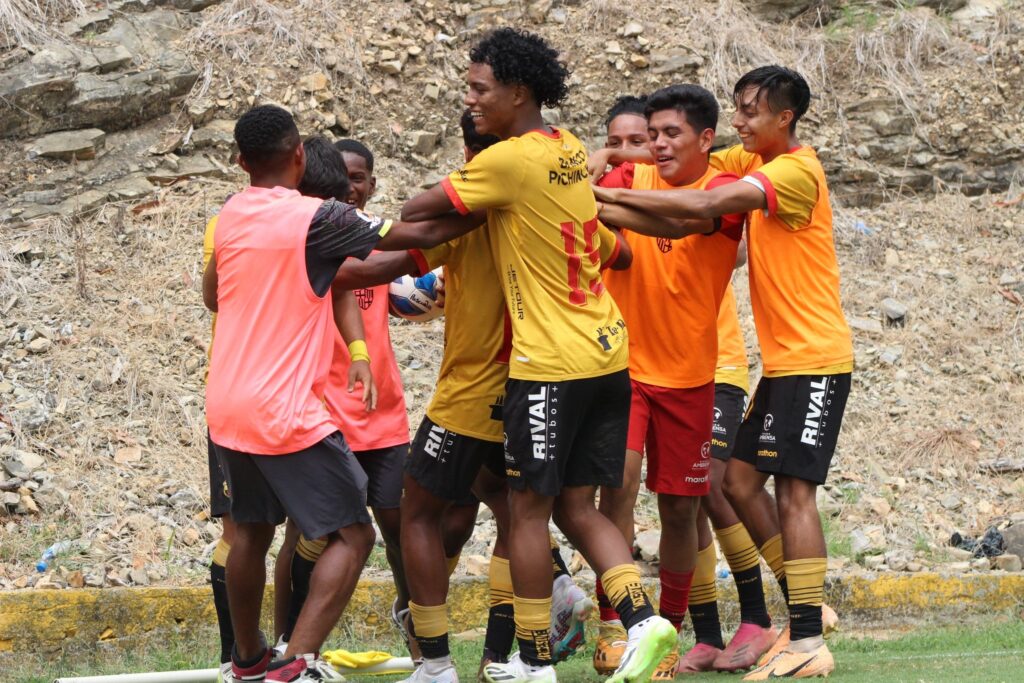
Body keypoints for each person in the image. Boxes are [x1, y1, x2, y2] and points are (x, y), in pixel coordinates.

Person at [401, 28, 677, 683]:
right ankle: (641, 621)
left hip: (550, 364)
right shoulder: (569, 148)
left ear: (517, 91)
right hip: (608, 352)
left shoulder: (508, 160)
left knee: (525, 510)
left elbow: (419, 208)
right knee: (577, 507)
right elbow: (616, 247)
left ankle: (532, 657)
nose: (470, 100)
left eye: (479, 88)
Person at [593, 65, 854, 680]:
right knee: (736, 483)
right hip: (782, 361)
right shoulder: (740, 154)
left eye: (750, 111)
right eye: (733, 112)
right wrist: (617, 161)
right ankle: (799, 609)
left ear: (783, 118)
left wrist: (604, 199)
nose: (739, 122)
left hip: (814, 356)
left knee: (792, 492)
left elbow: (706, 204)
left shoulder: (790, 169)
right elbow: (690, 158)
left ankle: (807, 637)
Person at [203, 104, 480, 683]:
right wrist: (490, 208)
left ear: (240, 161)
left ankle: (248, 661)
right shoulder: (317, 218)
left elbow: (213, 295)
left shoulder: (231, 213)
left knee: (251, 531)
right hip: (283, 411)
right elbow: (415, 239)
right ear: (299, 155)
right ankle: (297, 661)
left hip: (226, 405)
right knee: (352, 533)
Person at [593, 84, 745, 680]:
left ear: (706, 138)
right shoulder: (630, 173)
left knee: (681, 511)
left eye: (668, 133)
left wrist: (605, 196)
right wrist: (600, 166)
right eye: (649, 134)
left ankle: (671, 637)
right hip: (623, 369)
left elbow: (685, 220)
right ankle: (619, 628)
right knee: (619, 489)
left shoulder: (720, 195)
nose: (655, 145)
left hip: (690, 376)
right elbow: (575, 203)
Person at [270, 138, 417, 663]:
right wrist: (446, 243)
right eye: (343, 178)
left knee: (400, 525)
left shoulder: (375, 237)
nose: (351, 187)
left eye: (360, 178)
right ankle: (290, 641)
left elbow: (389, 290)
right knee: (310, 534)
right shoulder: (311, 237)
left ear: (372, 185)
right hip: (319, 409)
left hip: (382, 408)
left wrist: (421, 293)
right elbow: (359, 276)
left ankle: (415, 621)